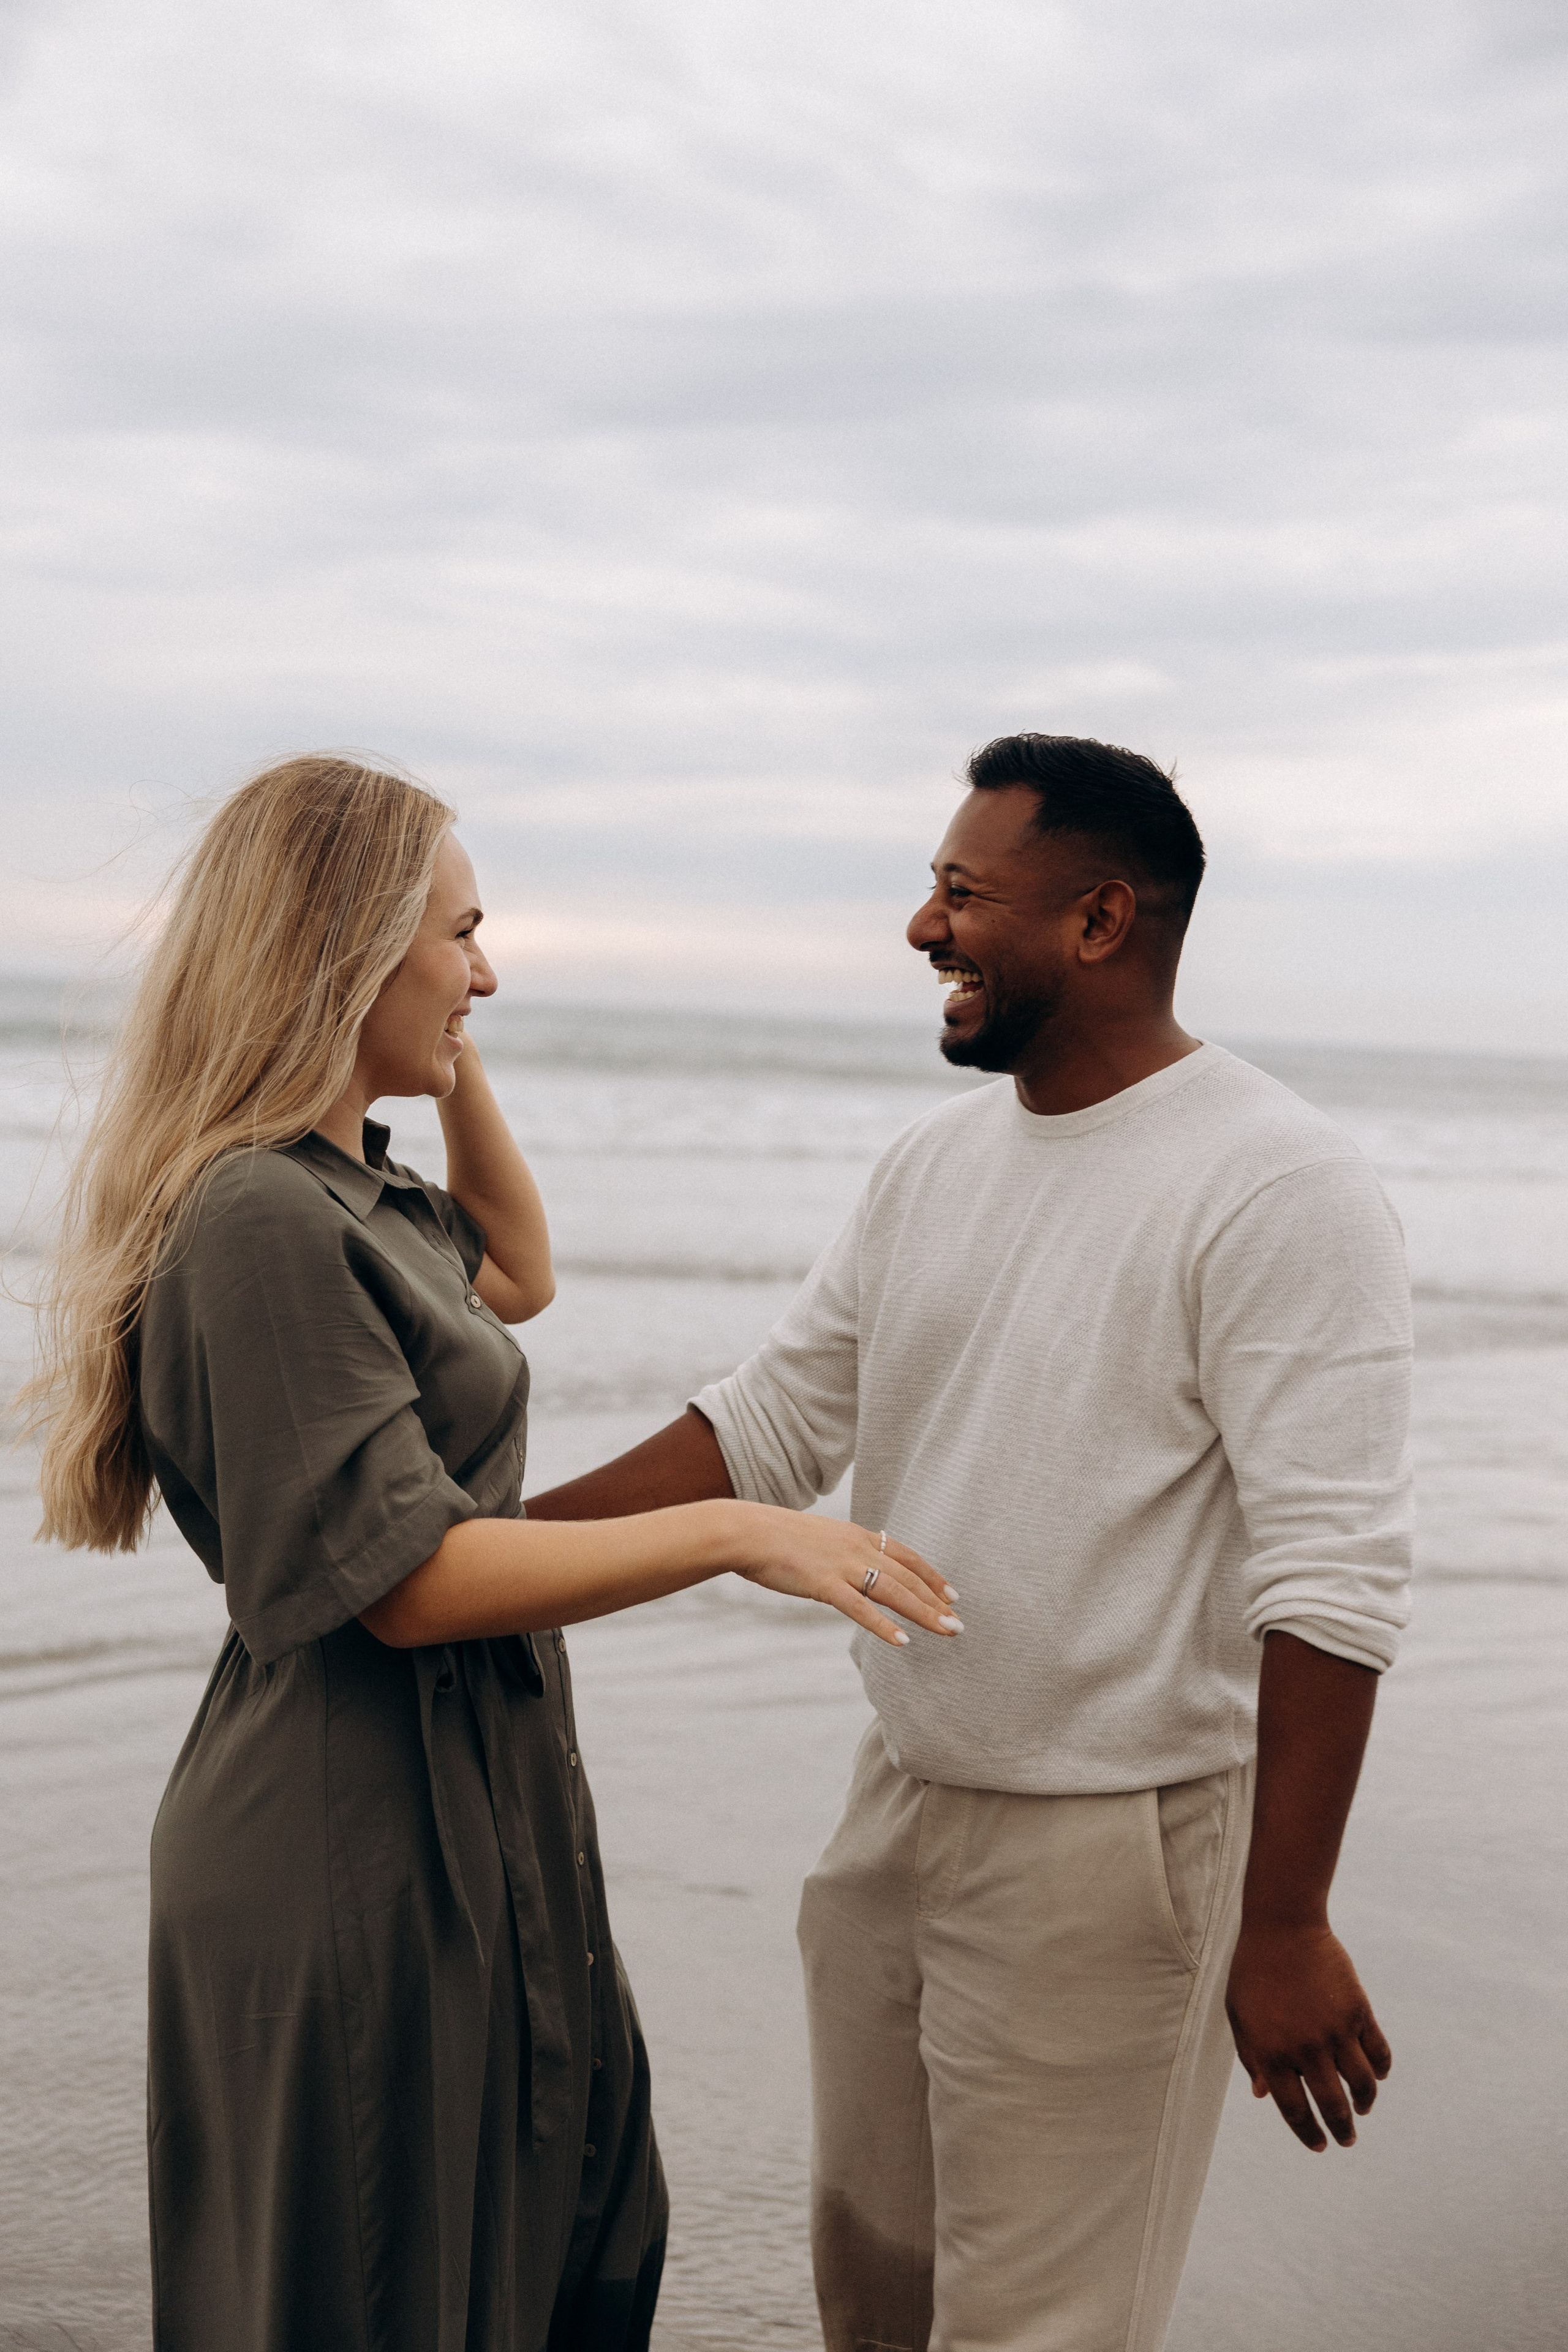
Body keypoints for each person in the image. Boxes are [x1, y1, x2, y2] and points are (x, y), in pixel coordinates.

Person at [26, 754, 959, 2352]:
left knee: (553, 2259)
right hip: (350, 1831)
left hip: (480, 1792)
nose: (493, 969)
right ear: (342, 948)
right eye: (462, 934)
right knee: (388, 2289)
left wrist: (440, 1045)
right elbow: (405, 1588)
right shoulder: (257, 1219)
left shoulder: (361, 1194)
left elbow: (516, 1269)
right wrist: (736, 1528)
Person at [526, 734, 1414, 2352]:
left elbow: (1333, 1580)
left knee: (1040, 2329)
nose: (921, 930)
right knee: (873, 2296)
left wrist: (1283, 1920)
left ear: (1099, 921)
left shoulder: (1278, 1180)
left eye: (961, 893)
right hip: (900, 1816)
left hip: (1116, 1853)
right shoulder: (934, 1164)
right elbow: (767, 1429)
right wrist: (478, 1554)